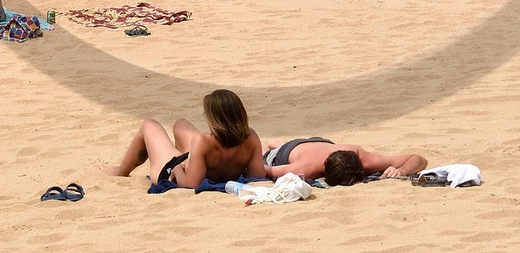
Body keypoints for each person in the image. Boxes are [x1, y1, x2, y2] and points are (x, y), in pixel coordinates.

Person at [109, 89, 268, 189]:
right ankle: (194, 161)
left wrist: (178, 169)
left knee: (149, 125)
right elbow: (256, 176)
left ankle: (120, 171)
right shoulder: (251, 137)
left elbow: (191, 185)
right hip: (205, 165)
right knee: (181, 124)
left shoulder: (204, 140)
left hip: (172, 171)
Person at [262, 138, 428, 184]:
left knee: (280, 144)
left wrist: (402, 171)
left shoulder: (363, 158)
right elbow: (265, 170)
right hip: (288, 153)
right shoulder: (306, 168)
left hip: (320, 143)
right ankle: (275, 146)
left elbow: (418, 159)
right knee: (268, 152)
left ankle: (278, 143)